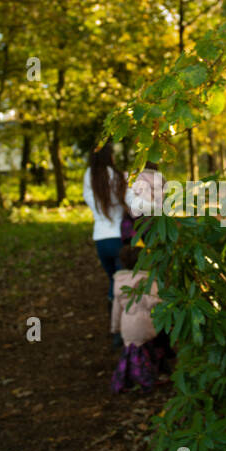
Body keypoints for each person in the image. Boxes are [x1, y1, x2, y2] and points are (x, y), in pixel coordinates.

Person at [110, 243, 166, 393]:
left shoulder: (119, 282)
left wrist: (115, 327)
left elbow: (116, 309)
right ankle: (147, 378)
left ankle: (127, 380)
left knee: (132, 354)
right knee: (148, 352)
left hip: (127, 325)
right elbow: (154, 302)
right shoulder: (148, 281)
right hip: (145, 324)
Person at [82, 143, 130, 309]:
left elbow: (89, 200)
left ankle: (113, 323)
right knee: (122, 283)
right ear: (109, 156)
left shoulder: (89, 176)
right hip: (118, 238)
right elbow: (130, 203)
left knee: (112, 280)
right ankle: (123, 327)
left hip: (100, 239)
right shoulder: (117, 176)